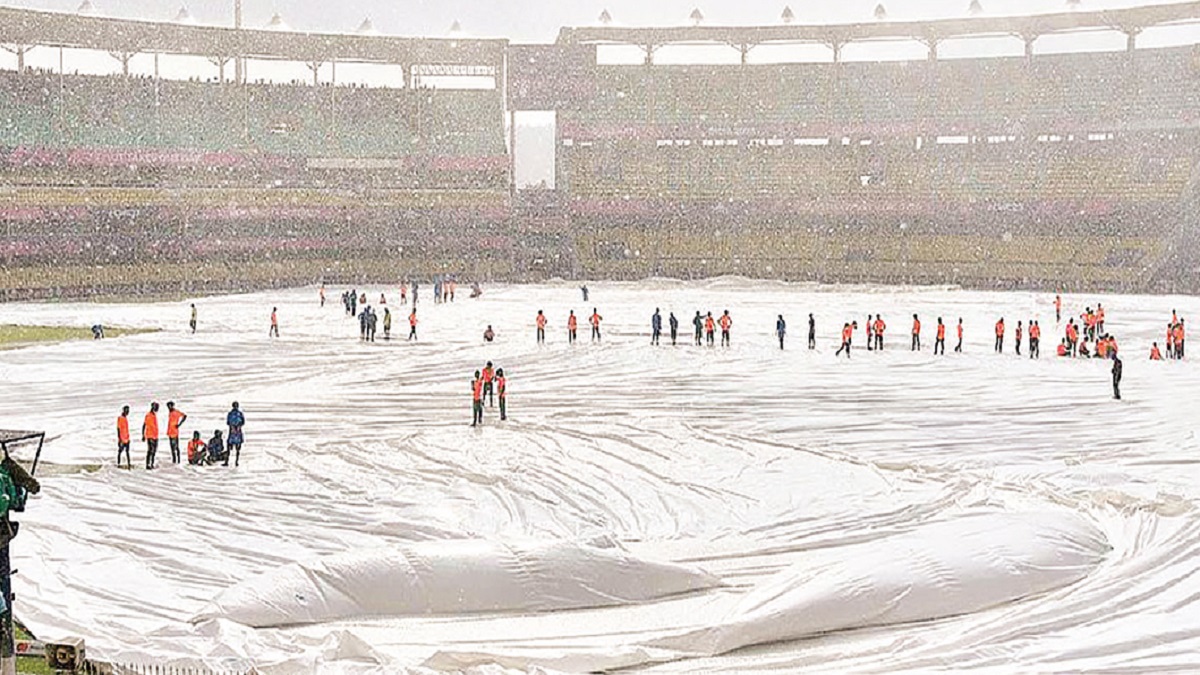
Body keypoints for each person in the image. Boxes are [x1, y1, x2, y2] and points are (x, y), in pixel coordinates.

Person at [226, 402, 244, 467]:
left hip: (235, 432)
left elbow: (228, 422)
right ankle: (231, 461)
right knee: (233, 447)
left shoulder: (233, 414)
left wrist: (235, 427)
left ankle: (234, 461)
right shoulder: (237, 414)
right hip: (235, 432)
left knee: (234, 447)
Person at [142, 402, 160, 470]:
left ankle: (151, 464)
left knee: (154, 451)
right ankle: (148, 464)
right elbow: (144, 425)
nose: (157, 409)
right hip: (150, 436)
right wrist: (143, 435)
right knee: (150, 450)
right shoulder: (148, 415)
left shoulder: (154, 415)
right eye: (157, 407)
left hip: (155, 436)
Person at [116, 405, 132, 470]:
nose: (128, 412)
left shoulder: (125, 418)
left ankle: (129, 463)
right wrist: (120, 439)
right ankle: (119, 463)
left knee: (127, 452)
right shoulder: (120, 418)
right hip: (122, 439)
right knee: (120, 451)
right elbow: (118, 429)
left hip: (127, 438)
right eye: (127, 411)